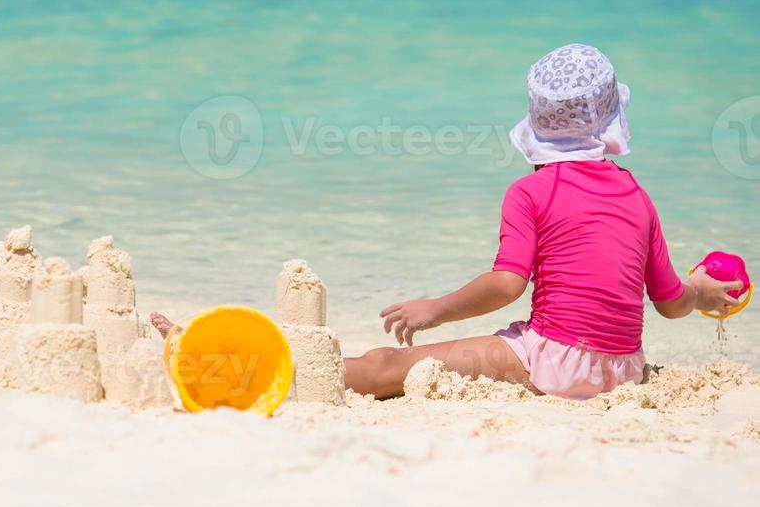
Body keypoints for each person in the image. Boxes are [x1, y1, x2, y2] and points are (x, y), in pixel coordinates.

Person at [152, 44, 742, 400]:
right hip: (623, 370)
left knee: (391, 368)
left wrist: (432, 309)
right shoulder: (637, 195)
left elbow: (507, 284)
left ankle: (247, 366)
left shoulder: (530, 191)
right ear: (612, 124)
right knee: (444, 356)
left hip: (557, 361)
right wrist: (704, 293)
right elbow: (669, 301)